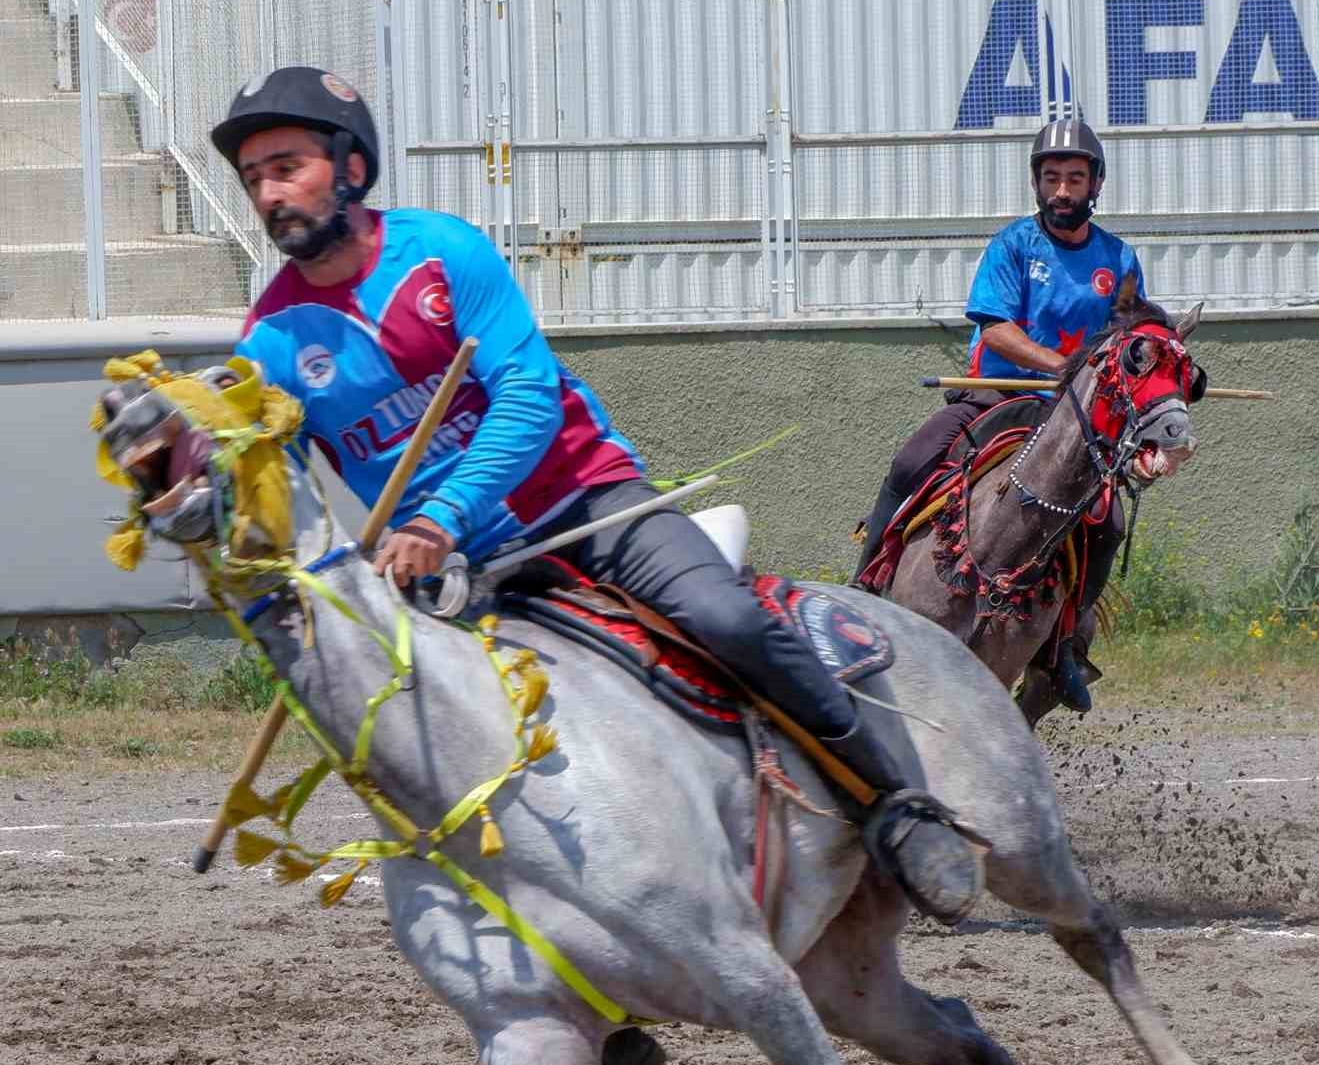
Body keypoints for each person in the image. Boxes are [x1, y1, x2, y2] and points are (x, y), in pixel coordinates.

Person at [210, 67, 981, 925]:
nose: (269, 192)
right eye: (253, 180)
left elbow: (528, 400)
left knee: (725, 621)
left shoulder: (444, 252)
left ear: (350, 167)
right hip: (459, 570)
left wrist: (437, 515)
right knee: (421, 735)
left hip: (588, 507)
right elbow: (259, 481)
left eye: (287, 166)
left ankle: (896, 807)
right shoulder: (270, 338)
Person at [853, 117, 1143, 709]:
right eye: (1052, 178)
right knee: (911, 461)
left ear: (1096, 185)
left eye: (1075, 178)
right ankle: (865, 590)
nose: (1063, 190)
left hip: (1072, 419)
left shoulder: (1120, 258)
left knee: (1106, 523)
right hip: (995, 396)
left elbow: (1127, 346)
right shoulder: (1013, 244)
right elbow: (996, 326)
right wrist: (1059, 364)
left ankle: (1064, 646)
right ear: (1038, 184)